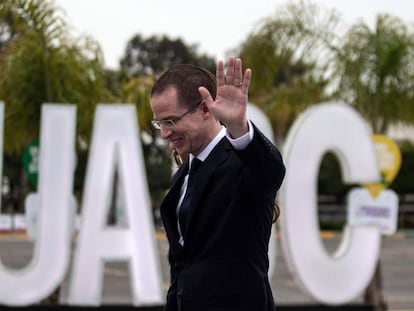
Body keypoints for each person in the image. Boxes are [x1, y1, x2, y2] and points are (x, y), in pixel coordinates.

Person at [150, 57, 285, 311]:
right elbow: (182, 267)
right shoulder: (182, 177)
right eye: (159, 123)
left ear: (204, 109)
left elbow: (271, 171)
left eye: (170, 121)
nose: (164, 133)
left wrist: (239, 128)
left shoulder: (241, 161)